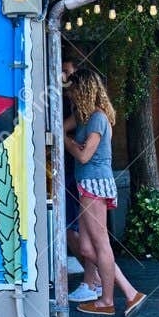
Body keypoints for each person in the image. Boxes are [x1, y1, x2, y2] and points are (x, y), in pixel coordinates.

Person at [65, 68, 147, 317]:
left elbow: (83, 154)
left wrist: (68, 141)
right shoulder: (85, 117)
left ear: (84, 90)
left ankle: (107, 301)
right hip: (86, 183)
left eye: (74, 90)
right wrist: (68, 136)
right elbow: (60, 125)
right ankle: (130, 292)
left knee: (100, 244)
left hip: (95, 183)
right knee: (88, 249)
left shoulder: (98, 118)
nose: (70, 96)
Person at [61, 58, 101, 301]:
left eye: (67, 72)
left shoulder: (92, 116)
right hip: (76, 174)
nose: (63, 77)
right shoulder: (80, 110)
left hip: (86, 178)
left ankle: (94, 278)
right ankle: (94, 278)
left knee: (81, 233)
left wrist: (66, 140)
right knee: (78, 233)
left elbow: (84, 154)